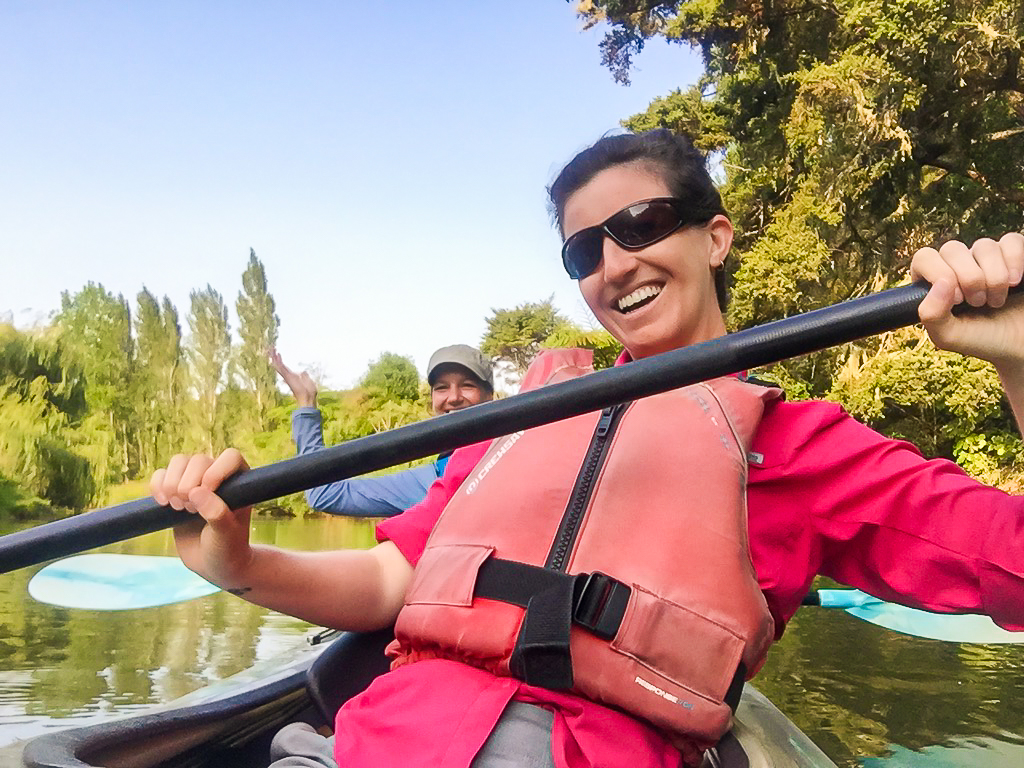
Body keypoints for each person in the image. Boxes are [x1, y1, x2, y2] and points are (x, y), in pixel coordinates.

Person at [151, 129, 1024, 768]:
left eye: (642, 223)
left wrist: (1018, 360)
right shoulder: (519, 423)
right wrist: (235, 562)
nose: (612, 264)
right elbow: (392, 582)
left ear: (714, 238)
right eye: (583, 248)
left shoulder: (798, 447)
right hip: (368, 745)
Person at [268, 344, 494, 516]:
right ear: (432, 400)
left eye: (467, 385)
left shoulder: (518, 449)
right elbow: (325, 494)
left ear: (490, 396)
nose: (453, 398)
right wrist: (306, 404)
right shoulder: (431, 480)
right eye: (442, 388)